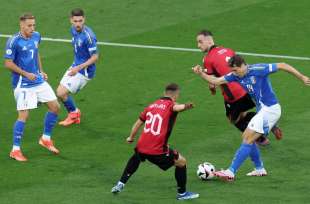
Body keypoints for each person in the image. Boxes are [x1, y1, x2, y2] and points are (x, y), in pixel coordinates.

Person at [192, 55, 310, 181]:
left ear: (244, 65)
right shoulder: (235, 76)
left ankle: (231, 172)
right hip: (263, 111)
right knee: (247, 137)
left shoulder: (259, 69)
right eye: (232, 70)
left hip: (270, 109)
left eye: (236, 70)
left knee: (247, 139)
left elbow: (282, 65)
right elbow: (217, 81)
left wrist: (302, 77)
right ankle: (259, 168)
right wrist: (201, 74)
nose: (234, 73)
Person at [111, 83, 199, 200]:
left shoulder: (152, 106)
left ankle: (121, 183)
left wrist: (131, 137)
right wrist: (186, 106)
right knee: (182, 162)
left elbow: (138, 123)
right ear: (176, 95)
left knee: (137, 157)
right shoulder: (170, 105)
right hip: (157, 150)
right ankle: (182, 194)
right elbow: (176, 107)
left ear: (165, 93)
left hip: (142, 144)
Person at [195, 30, 282, 145]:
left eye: (200, 42)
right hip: (247, 88)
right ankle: (270, 124)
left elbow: (212, 82)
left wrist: (211, 87)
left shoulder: (208, 59)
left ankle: (261, 139)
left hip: (233, 95)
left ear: (209, 40)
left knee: (233, 119)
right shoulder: (228, 50)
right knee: (243, 114)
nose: (198, 45)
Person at [4, 13, 60, 161]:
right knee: (24, 115)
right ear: (21, 25)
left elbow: (36, 53)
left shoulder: (36, 36)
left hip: (37, 80)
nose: (32, 28)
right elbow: (8, 64)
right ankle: (15, 150)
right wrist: (26, 74)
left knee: (55, 107)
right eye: (29, 25)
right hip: (23, 83)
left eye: (34, 25)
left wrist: (41, 71)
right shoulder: (13, 41)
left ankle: (45, 139)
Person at [57, 8, 99, 126]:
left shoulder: (89, 37)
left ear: (84, 19)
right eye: (75, 21)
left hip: (84, 71)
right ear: (71, 20)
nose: (78, 24)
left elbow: (95, 57)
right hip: (75, 66)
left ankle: (74, 114)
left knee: (61, 93)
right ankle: (75, 113)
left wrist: (78, 68)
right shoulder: (73, 30)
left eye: (80, 21)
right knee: (59, 92)